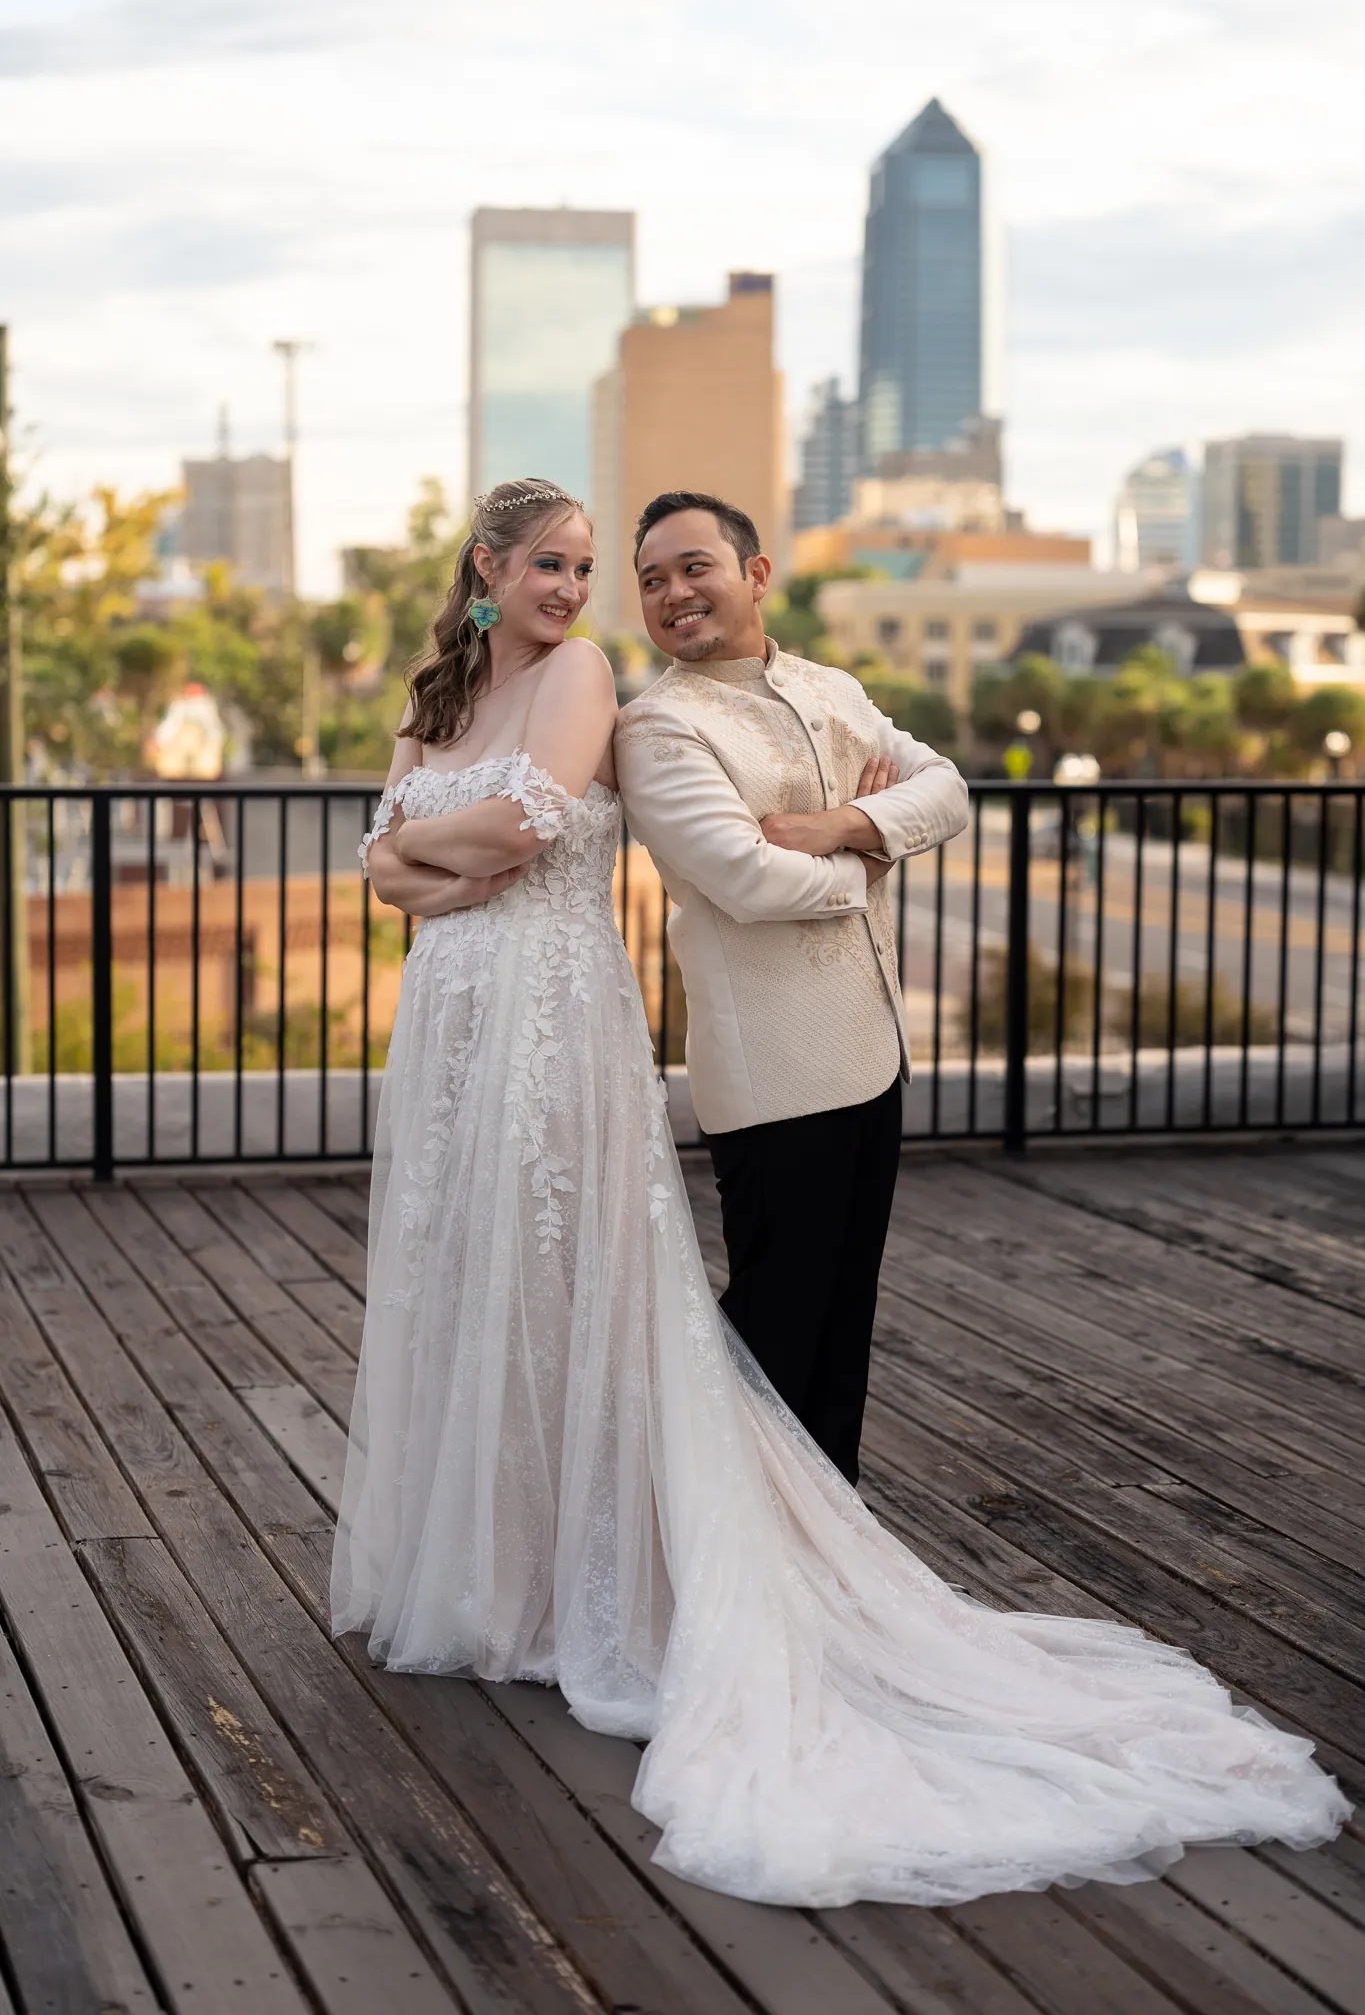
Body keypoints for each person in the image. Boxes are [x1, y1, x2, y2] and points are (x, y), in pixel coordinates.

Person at [331, 476, 1346, 1912]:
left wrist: (851, 836)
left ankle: (791, 1559)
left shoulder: (747, 684)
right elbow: (447, 859)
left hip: (647, 1031)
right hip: (502, 1034)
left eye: (605, 567)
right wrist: (440, 857)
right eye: (566, 566)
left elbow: (897, 791)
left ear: (752, 573)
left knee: (758, 1318)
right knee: (537, 1286)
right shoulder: (609, 710)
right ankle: (579, 1568)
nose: (590, 590)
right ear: (483, 571)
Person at [615, 491, 967, 1484]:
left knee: (841, 1332)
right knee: (773, 1328)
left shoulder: (832, 687)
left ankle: (826, 1557)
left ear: (755, 574)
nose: (675, 593)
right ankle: (696, 1539)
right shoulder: (657, 729)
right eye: (652, 579)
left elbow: (945, 788)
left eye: (695, 566)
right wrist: (877, 860)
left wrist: (845, 826)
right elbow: (747, 879)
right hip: (773, 1077)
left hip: (873, 1053)